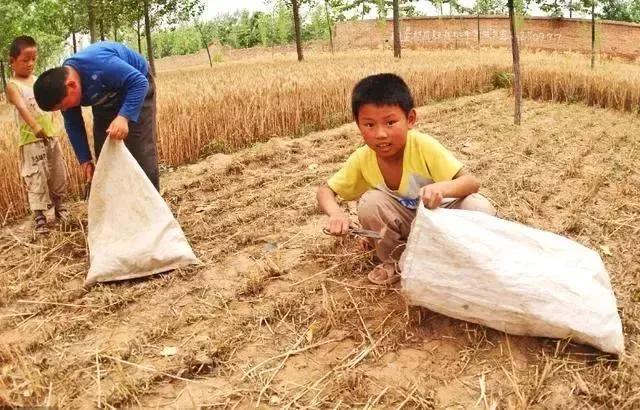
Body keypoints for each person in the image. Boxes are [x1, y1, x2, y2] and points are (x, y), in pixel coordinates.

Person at [317, 73, 496, 285]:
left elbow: (471, 183)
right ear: (358, 124)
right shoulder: (362, 158)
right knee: (370, 202)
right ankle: (393, 259)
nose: (381, 134)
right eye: (369, 125)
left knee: (478, 206)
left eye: (390, 122)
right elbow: (325, 191)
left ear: (410, 119)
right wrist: (336, 213)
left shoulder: (423, 146)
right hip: (407, 226)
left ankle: (469, 258)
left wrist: (442, 188)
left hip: (441, 219)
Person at [33, 41, 159, 190]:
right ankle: (118, 203)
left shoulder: (101, 65)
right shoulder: (64, 90)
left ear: (72, 85)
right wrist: (84, 159)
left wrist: (124, 117)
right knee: (105, 152)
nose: (65, 110)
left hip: (135, 88)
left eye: (63, 106)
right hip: (104, 97)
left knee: (140, 149)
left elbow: (139, 82)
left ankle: (151, 204)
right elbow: (73, 124)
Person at [6, 36, 69, 234]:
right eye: (25, 60)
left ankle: (60, 207)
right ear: (12, 61)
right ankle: (39, 216)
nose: (30, 63)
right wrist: (34, 126)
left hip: (50, 137)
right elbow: (22, 107)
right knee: (36, 177)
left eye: (33, 58)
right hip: (31, 141)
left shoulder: (39, 81)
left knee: (57, 172)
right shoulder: (12, 86)